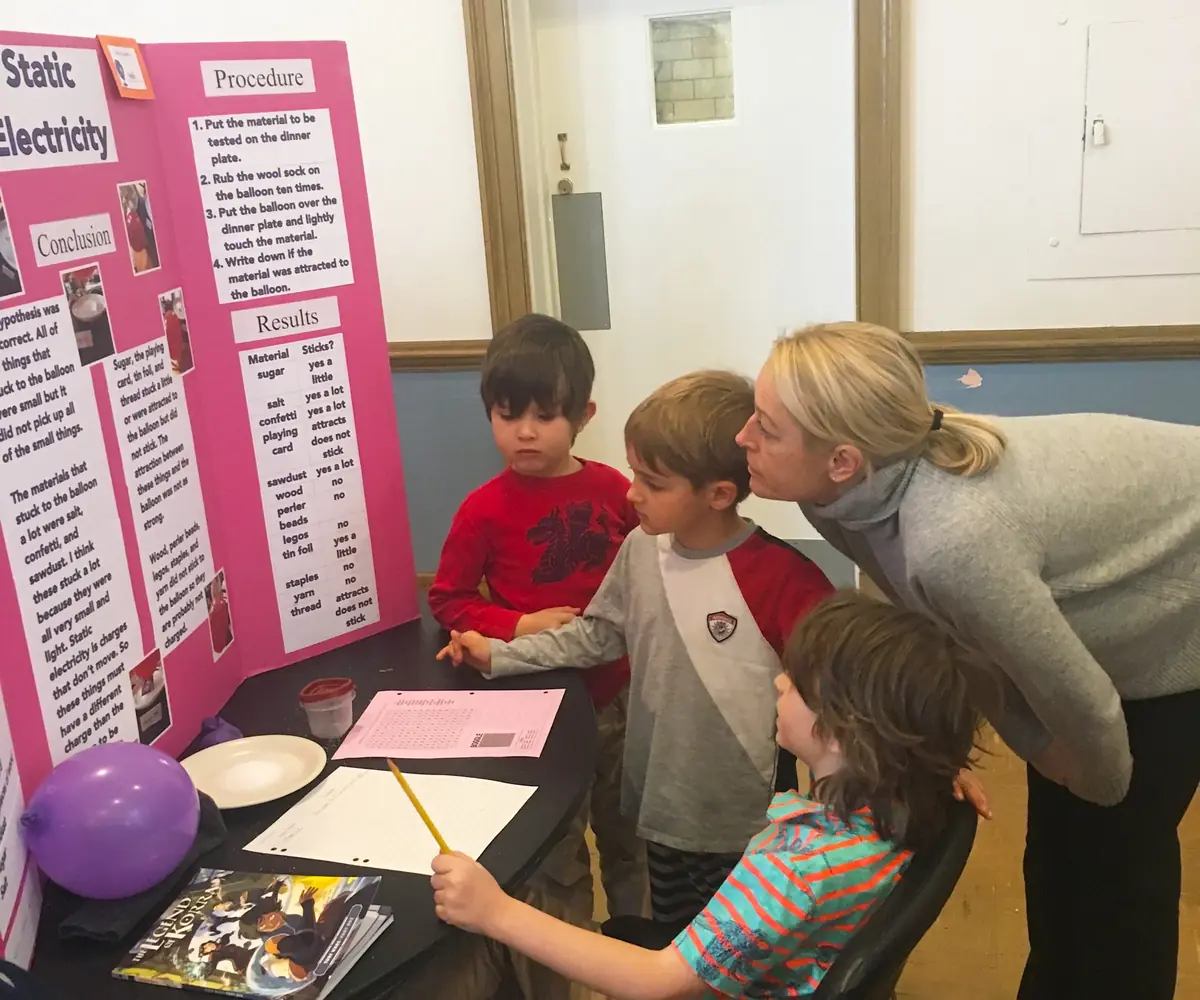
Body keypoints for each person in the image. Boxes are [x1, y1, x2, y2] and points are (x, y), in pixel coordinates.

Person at [735, 320, 1200, 1000]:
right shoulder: (842, 488)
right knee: (1059, 864)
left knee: (1115, 878)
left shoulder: (955, 538)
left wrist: (1075, 777)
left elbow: (1087, 706)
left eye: (766, 428)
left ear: (841, 459)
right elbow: (949, 636)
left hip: (1178, 606)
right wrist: (1033, 752)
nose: (743, 437)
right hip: (1104, 588)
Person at [429, 591, 992, 998]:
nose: (777, 683)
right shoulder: (907, 791)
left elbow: (657, 981)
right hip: (798, 963)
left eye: (794, 682)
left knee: (484, 950)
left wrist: (495, 912)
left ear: (843, 732)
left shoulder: (793, 874)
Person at [440, 369, 834, 930]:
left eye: (652, 481)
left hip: (746, 822)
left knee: (741, 950)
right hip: (661, 806)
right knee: (674, 932)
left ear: (719, 494)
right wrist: (500, 654)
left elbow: (843, 692)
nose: (631, 493)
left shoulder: (785, 579)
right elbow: (597, 634)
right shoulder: (638, 550)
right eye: (633, 473)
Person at [427, 314, 646, 999]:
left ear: (582, 415)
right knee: (556, 854)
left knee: (630, 836)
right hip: (538, 709)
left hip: (621, 696)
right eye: (507, 413)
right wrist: (516, 623)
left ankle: (640, 959)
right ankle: (566, 969)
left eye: (546, 416)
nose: (525, 431)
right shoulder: (482, 509)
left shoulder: (616, 492)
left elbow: (653, 576)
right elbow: (450, 596)